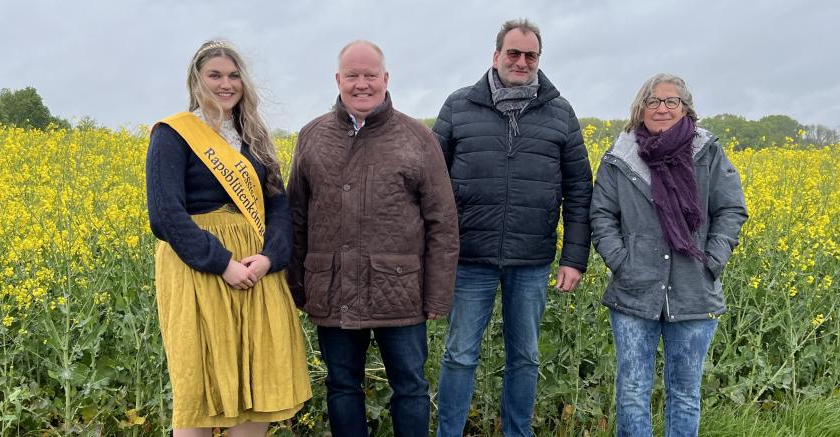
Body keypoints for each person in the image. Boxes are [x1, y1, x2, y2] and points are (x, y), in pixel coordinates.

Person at [286, 40, 459, 436]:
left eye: (369, 75)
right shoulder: (311, 136)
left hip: (400, 292)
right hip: (331, 287)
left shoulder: (417, 138)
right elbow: (296, 217)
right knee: (342, 387)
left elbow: (443, 223)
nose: (361, 84)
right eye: (352, 76)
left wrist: (437, 295)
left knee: (411, 389)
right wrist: (298, 285)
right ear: (338, 79)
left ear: (385, 79)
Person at [433, 19, 593, 437]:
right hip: (470, 259)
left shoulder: (559, 112)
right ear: (496, 56)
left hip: (532, 262)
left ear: (538, 59)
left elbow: (580, 190)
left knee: (525, 357)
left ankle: (517, 432)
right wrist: (433, 250)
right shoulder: (459, 106)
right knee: (460, 355)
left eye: (530, 56)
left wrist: (574, 257)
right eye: (513, 53)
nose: (521, 62)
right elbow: (429, 183)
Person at [146, 39, 311, 436]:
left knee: (260, 378)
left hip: (255, 269)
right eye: (215, 75)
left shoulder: (253, 137)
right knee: (202, 383)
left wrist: (270, 257)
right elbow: (165, 214)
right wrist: (221, 263)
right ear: (196, 81)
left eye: (234, 75)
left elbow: (277, 207)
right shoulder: (174, 134)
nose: (226, 84)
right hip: (201, 268)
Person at [590, 73, 748, 437]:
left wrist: (713, 259)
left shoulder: (707, 153)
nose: (661, 108)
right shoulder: (621, 156)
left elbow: (731, 209)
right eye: (653, 101)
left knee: (685, 393)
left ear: (685, 109)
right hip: (634, 289)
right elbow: (601, 214)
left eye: (670, 101)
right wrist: (620, 260)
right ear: (640, 108)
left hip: (694, 289)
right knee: (631, 390)